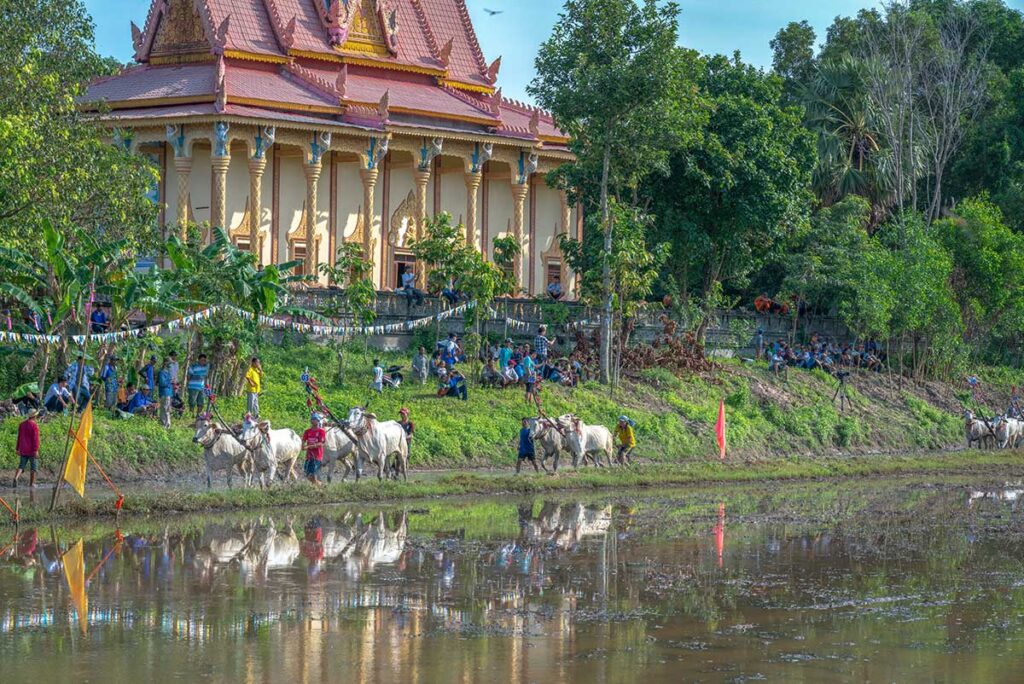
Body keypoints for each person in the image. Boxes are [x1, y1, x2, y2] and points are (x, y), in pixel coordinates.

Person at [12, 410, 41, 489]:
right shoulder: (34, 425)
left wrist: (17, 448)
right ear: (34, 416)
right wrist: (36, 450)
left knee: (21, 466)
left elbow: (19, 437)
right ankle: (32, 484)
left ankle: (16, 477)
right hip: (31, 450)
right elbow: (35, 439)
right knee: (33, 467)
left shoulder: (22, 424)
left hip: (23, 449)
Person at [301, 414, 327, 485]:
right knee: (307, 474)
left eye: (315, 419)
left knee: (311, 474)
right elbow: (304, 439)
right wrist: (302, 445)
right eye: (312, 419)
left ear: (318, 421)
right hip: (309, 456)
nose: (313, 420)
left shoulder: (321, 431)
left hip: (317, 456)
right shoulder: (307, 431)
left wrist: (309, 447)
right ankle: (320, 485)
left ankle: (319, 486)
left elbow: (321, 443)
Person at [157, 359, 174, 428]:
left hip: (168, 394)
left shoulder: (168, 373)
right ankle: (164, 425)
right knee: (164, 409)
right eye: (169, 363)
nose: (170, 365)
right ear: (165, 363)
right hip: (164, 393)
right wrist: (170, 380)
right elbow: (162, 383)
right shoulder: (161, 373)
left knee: (166, 409)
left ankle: (166, 425)